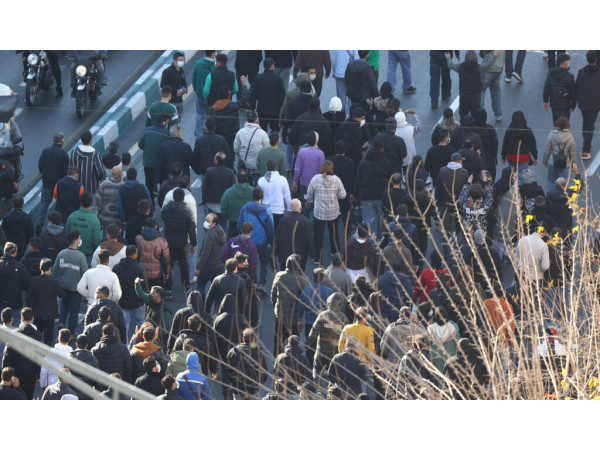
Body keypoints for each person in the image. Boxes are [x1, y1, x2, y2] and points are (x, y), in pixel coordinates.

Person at [306, 160, 346, 262]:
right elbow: (343, 195)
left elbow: (309, 193)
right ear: (332, 169)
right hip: (333, 212)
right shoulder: (336, 180)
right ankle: (335, 255)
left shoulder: (315, 179)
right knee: (334, 234)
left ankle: (318, 258)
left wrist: (309, 201)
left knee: (318, 236)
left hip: (319, 213)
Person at [237, 187, 274, 293]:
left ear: (252, 196)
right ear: (262, 197)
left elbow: (239, 225)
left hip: (248, 240)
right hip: (262, 241)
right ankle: (261, 283)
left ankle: (249, 283)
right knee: (263, 262)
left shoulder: (245, 208)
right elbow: (270, 228)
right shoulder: (266, 210)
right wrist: (271, 241)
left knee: (248, 262)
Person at [271, 254, 310, 355]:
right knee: (293, 344)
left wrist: (276, 308)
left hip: (280, 316)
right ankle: (293, 362)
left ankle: (278, 361)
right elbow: (305, 299)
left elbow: (273, 295)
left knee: (278, 343)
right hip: (294, 318)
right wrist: (301, 317)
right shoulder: (302, 280)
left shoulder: (279, 276)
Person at [2, 307, 43, 399]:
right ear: (32, 318)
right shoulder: (38, 336)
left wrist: (5, 374)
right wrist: (39, 375)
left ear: (22, 318)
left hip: (15, 375)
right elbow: (39, 358)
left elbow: (7, 355)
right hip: (30, 375)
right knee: (28, 397)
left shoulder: (13, 334)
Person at [51, 230, 87, 333]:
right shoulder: (81, 256)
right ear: (76, 241)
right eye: (79, 238)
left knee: (64, 305)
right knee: (74, 311)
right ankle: (71, 331)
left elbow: (54, 270)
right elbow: (85, 273)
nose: (80, 240)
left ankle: (61, 322)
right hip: (75, 288)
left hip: (62, 286)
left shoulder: (61, 253)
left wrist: (55, 284)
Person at [161, 188, 197, 293]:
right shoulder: (187, 211)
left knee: (169, 266)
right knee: (184, 266)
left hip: (169, 242)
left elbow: (163, 216)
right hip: (183, 243)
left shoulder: (166, 208)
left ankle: (168, 289)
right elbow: (191, 229)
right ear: (183, 198)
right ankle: (186, 286)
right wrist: (194, 244)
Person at [355, 141, 392, 240]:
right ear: (382, 149)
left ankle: (368, 239)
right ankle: (380, 237)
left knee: (367, 218)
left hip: (366, 195)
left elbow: (358, 179)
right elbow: (390, 179)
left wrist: (356, 194)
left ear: (372, 148)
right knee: (381, 217)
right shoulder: (386, 163)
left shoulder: (363, 163)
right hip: (381, 195)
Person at [447, 50, 500, 120]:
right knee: (475, 116)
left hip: (463, 97)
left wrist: (448, 58)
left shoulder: (460, 67)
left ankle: (464, 126)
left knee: (463, 116)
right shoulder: (478, 67)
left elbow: (451, 65)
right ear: (476, 58)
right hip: (475, 97)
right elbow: (489, 65)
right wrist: (495, 55)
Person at [213, 294, 248, 399]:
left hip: (224, 351)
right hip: (239, 351)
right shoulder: (241, 318)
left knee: (225, 374)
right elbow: (248, 334)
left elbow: (214, 338)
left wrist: (216, 352)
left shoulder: (218, 319)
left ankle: (227, 397)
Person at [297, 268, 335, 363]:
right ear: (323, 279)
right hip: (324, 325)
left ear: (313, 278)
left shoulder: (306, 290)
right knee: (323, 347)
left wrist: (299, 320)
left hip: (310, 324)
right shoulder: (330, 292)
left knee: (309, 347)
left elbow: (300, 306)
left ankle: (309, 365)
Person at [26, 258, 63, 346]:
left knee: (37, 336)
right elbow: (61, 294)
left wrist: (28, 311)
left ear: (40, 268)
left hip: (36, 312)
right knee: (48, 338)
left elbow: (28, 298)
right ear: (50, 269)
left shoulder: (33, 280)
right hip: (49, 314)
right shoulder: (54, 282)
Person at [113, 245, 147, 339]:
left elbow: (114, 286)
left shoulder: (116, 268)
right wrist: (146, 301)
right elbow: (144, 286)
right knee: (140, 326)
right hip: (138, 303)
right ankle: (140, 345)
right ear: (134, 255)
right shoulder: (139, 269)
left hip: (122, 302)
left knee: (124, 328)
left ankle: (126, 346)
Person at [37, 132, 69, 232]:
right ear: (62, 142)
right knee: (59, 204)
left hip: (47, 182)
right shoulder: (64, 154)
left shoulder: (45, 151)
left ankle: (39, 222)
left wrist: (44, 174)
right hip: (58, 184)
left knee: (44, 203)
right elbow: (65, 172)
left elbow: (40, 166)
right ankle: (54, 225)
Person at [225, 327, 267, 400]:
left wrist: (233, 381)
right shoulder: (259, 354)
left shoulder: (232, 352)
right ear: (253, 340)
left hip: (238, 388)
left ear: (243, 339)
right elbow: (264, 373)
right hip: (253, 389)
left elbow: (227, 370)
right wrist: (257, 383)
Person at [207, 82, 249, 154]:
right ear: (228, 95)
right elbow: (243, 99)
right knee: (230, 154)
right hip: (231, 136)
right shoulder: (233, 106)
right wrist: (244, 85)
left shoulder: (212, 109)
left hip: (219, 136)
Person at [274, 199, 314, 272]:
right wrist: (312, 254)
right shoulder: (305, 221)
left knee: (284, 274)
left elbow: (278, 237)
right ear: (300, 208)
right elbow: (309, 239)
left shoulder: (283, 220)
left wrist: (275, 252)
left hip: (285, 254)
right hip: (300, 256)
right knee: (299, 274)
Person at [138, 114, 170, 200]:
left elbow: (140, 145)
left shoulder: (146, 131)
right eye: (167, 122)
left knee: (149, 184)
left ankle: (150, 203)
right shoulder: (167, 134)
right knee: (163, 184)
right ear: (164, 122)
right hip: (160, 164)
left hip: (148, 162)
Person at [436, 153, 470, 234]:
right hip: (459, 204)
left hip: (445, 203)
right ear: (459, 161)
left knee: (445, 228)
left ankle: (445, 241)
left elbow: (438, 187)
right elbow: (466, 189)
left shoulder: (442, 170)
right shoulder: (464, 172)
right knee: (460, 226)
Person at [249, 57, 286, 132]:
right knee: (275, 130)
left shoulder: (258, 78)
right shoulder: (278, 79)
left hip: (262, 110)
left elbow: (253, 95)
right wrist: (282, 109)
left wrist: (252, 107)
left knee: (262, 130)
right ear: (272, 66)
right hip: (274, 111)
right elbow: (282, 96)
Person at [234, 111, 271, 185]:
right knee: (258, 186)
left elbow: (236, 149)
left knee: (245, 187)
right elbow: (267, 150)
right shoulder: (262, 133)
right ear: (256, 120)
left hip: (244, 165)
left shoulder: (240, 133)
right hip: (257, 166)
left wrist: (241, 156)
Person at [195, 212, 227, 298]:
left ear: (214, 223)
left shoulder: (209, 235)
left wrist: (198, 268)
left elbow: (205, 254)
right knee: (217, 290)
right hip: (219, 266)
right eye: (205, 220)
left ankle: (201, 305)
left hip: (207, 267)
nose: (205, 222)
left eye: (208, 221)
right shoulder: (221, 231)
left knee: (200, 287)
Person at [501, 110, 538, 183]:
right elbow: (532, 145)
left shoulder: (509, 131)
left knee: (513, 174)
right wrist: (535, 156)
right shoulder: (527, 131)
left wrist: (503, 156)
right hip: (523, 156)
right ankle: (519, 189)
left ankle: (513, 187)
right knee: (521, 176)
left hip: (511, 156)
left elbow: (505, 144)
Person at [543, 116, 578, 192]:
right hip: (565, 164)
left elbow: (547, 150)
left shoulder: (552, 135)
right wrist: (574, 164)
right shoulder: (570, 137)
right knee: (563, 184)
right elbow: (572, 153)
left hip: (553, 163)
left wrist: (545, 161)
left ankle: (549, 197)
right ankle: (561, 197)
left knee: (551, 182)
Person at [293, 131, 326, 213]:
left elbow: (297, 169)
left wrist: (295, 182)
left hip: (304, 183)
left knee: (305, 205)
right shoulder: (320, 153)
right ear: (316, 140)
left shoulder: (301, 151)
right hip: (316, 184)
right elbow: (322, 170)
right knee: (315, 206)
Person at [576, 51, 600, 160]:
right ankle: (586, 150)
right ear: (596, 59)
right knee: (590, 125)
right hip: (595, 104)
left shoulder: (581, 72)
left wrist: (575, 102)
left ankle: (586, 143)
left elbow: (577, 87)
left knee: (586, 123)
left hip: (583, 103)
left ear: (586, 59)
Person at [65, 191, 102, 263]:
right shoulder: (95, 220)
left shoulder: (72, 216)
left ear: (80, 202)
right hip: (87, 256)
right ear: (91, 203)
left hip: (72, 253)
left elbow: (67, 234)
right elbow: (96, 241)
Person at [135, 217, 170, 289]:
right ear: (156, 226)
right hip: (157, 274)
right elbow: (166, 260)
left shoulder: (138, 239)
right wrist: (167, 272)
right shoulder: (162, 241)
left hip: (143, 272)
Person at [0, 242, 30, 326]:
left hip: (1, 301)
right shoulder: (20, 266)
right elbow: (26, 282)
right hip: (15, 302)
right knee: (15, 327)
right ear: (15, 253)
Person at [328, 141, 355, 232]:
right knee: (345, 212)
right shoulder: (349, 162)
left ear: (335, 150)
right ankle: (347, 230)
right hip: (345, 190)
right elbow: (351, 179)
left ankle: (333, 231)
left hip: (332, 190)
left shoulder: (330, 160)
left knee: (333, 212)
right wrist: (351, 192)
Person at [258, 159, 291, 230]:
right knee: (277, 231)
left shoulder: (261, 180)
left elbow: (258, 197)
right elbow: (287, 196)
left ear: (266, 168)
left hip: (265, 210)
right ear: (276, 168)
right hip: (278, 210)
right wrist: (289, 208)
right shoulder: (283, 180)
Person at [543, 52, 576, 124]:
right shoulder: (570, 76)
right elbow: (573, 92)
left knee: (556, 124)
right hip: (565, 106)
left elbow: (546, 88)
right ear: (566, 62)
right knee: (564, 125)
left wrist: (545, 101)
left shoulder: (551, 73)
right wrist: (573, 105)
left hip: (554, 105)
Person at [345, 50, 379, 120]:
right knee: (367, 116)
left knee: (354, 115)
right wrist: (377, 97)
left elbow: (346, 78)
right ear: (367, 55)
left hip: (353, 96)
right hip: (364, 98)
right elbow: (373, 84)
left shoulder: (350, 64)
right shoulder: (368, 68)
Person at [202, 152, 235, 222]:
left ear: (216, 161)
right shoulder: (230, 172)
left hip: (212, 202)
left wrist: (204, 200)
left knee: (211, 222)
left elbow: (205, 187)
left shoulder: (209, 171)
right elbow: (233, 188)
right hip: (224, 202)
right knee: (223, 223)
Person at [220, 170, 254, 240]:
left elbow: (223, 209)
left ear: (237, 179)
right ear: (247, 179)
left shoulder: (228, 192)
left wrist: (228, 216)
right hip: (248, 224)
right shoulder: (253, 191)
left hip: (233, 224)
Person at [68, 131, 104, 195]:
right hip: (91, 189)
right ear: (91, 140)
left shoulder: (74, 152)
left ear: (81, 140)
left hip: (76, 188)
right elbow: (100, 173)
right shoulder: (95, 155)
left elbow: (70, 169)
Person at [191, 50, 216, 139]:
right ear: (213, 53)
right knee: (212, 115)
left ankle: (198, 136)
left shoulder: (198, 64)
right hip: (211, 96)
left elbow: (194, 79)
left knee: (200, 115)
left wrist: (196, 90)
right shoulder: (214, 65)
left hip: (200, 95)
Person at [39, 328, 73, 393]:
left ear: (58, 339)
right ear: (69, 339)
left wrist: (43, 385)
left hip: (52, 383)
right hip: (67, 384)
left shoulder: (50, 352)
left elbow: (43, 371)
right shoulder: (72, 353)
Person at [160, 52, 188, 120]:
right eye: (180, 60)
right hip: (171, 102)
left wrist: (184, 89)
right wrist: (175, 91)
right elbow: (163, 85)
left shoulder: (181, 71)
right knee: (170, 122)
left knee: (177, 122)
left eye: (182, 60)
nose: (182, 62)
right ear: (175, 61)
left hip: (180, 102)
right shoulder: (167, 72)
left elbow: (184, 83)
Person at [474, 109, 499, 181]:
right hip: (489, 157)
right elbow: (495, 144)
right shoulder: (490, 129)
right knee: (490, 176)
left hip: (476, 158)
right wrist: (494, 154)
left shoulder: (473, 130)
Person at [96, 166, 123, 232]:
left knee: (105, 236)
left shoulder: (103, 184)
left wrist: (100, 213)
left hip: (105, 218)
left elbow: (98, 202)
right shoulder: (123, 186)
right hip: (118, 219)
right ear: (120, 175)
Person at [480, 50, 505, 122]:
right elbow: (503, 54)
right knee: (496, 93)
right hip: (498, 68)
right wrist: (501, 67)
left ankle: (480, 114)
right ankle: (498, 115)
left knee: (481, 90)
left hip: (487, 68)